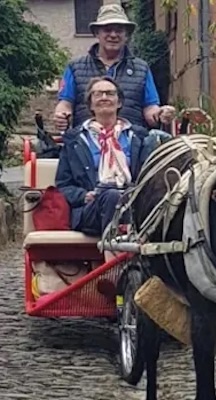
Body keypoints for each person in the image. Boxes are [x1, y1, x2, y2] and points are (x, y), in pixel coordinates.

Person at [55, 76, 157, 261]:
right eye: (98, 94)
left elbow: (149, 176)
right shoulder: (75, 139)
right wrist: (84, 196)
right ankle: (114, 268)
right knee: (110, 195)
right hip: (92, 208)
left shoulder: (139, 136)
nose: (104, 97)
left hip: (132, 204)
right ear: (90, 104)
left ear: (119, 102)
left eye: (110, 93)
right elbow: (63, 185)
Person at [54, 3, 175, 132]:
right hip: (86, 144)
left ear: (126, 35)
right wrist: (61, 116)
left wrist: (160, 114)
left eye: (119, 30)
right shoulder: (75, 67)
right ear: (97, 33)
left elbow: (150, 109)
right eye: (107, 30)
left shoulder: (142, 68)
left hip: (132, 145)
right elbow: (65, 104)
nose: (113, 35)